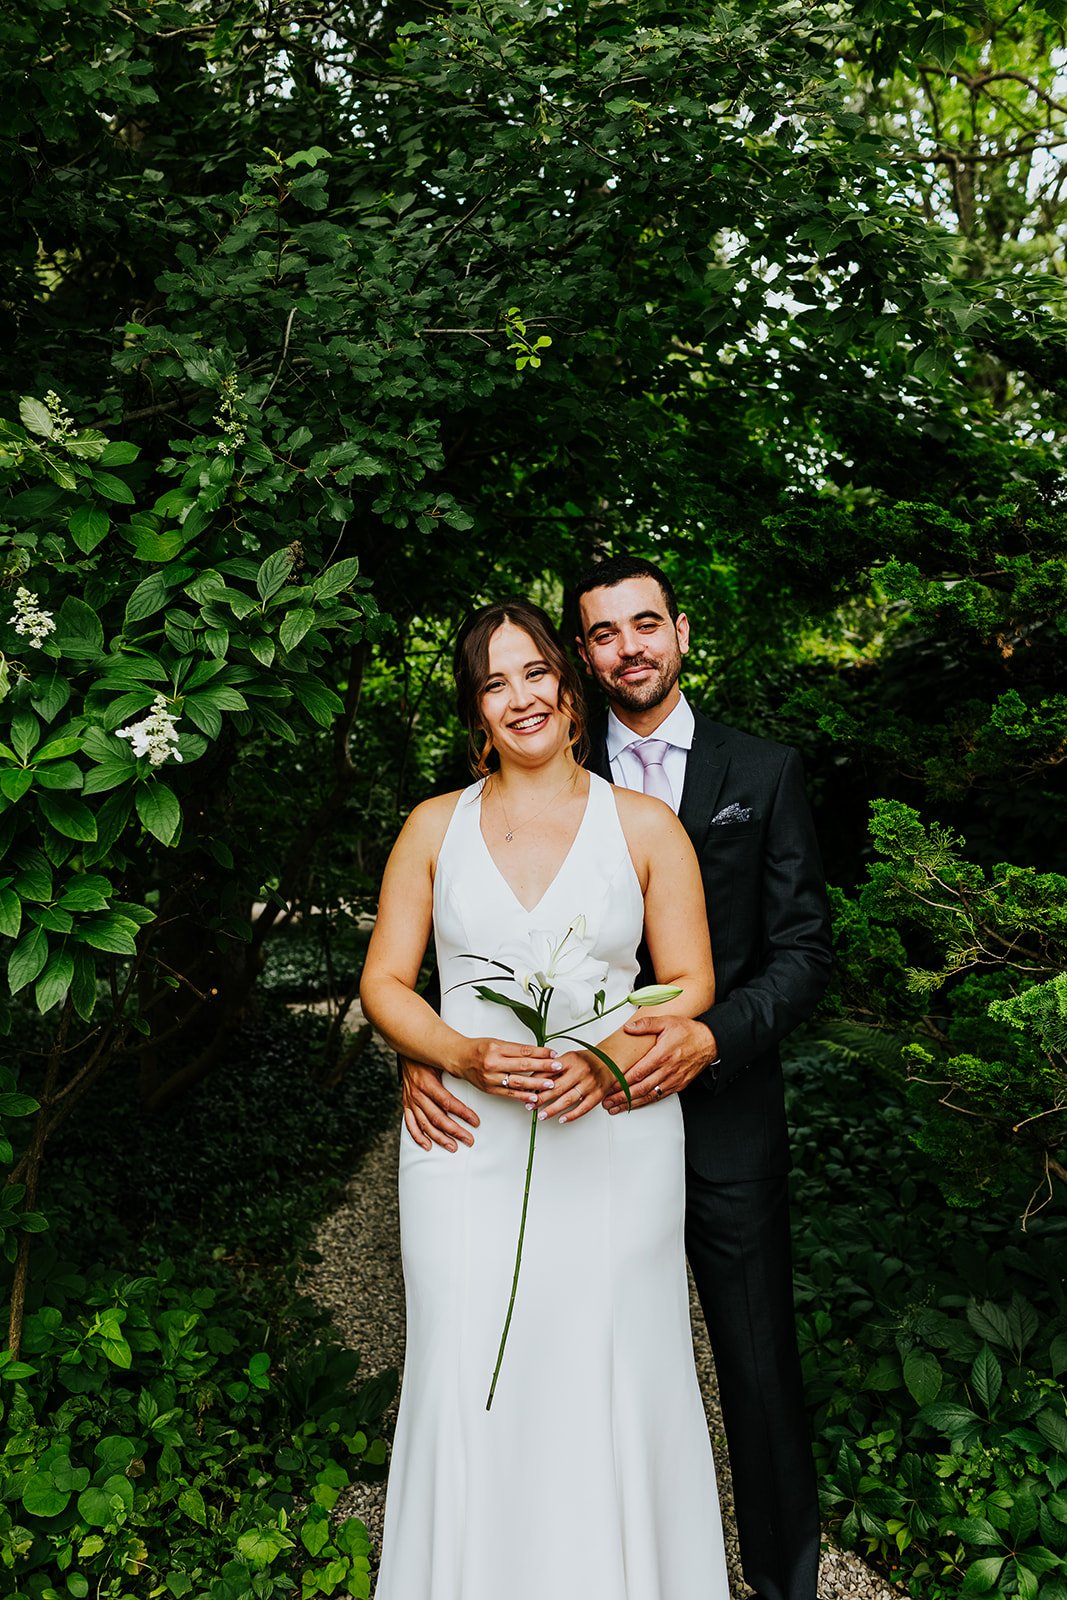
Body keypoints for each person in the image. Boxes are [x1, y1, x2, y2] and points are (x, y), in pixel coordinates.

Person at [404, 559, 833, 1600]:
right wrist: (424, 1052)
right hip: (541, 1123)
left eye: (645, 624)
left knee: (752, 1373)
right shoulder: (495, 791)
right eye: (602, 634)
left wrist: (710, 1036)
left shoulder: (757, 770)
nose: (627, 646)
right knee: (556, 1350)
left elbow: (804, 951)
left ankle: (777, 1587)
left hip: (711, 1115)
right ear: (580, 661)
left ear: (678, 633)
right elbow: (449, 955)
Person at [361, 598, 730, 1600]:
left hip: (614, 1137)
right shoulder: (432, 826)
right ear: (475, 711)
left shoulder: (645, 825)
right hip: (465, 1138)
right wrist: (456, 1053)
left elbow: (690, 978)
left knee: (611, 1363)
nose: (517, 696)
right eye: (492, 681)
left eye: (533, 673)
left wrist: (610, 1060)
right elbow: (385, 982)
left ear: (568, 688)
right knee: (468, 1359)